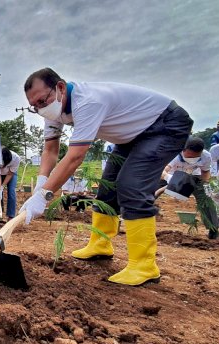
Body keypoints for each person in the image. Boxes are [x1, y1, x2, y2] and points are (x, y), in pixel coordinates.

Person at [20, 68, 193, 286]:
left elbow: (75, 157)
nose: (40, 109)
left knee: (131, 187)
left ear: (60, 88)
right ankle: (100, 245)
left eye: (42, 101)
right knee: (107, 188)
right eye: (34, 106)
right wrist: (41, 183)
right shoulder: (54, 110)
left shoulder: (88, 102)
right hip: (130, 136)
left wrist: (44, 196)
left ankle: (144, 266)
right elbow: (51, 150)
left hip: (164, 126)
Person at [158, 137, 219, 239]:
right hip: (169, 174)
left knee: (205, 199)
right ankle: (138, 217)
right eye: (189, 156)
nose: (192, 159)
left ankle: (213, 229)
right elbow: (162, 170)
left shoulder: (206, 156)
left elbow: (205, 171)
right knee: (150, 192)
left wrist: (206, 184)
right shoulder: (173, 154)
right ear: (183, 149)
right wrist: (168, 177)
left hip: (192, 177)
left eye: (196, 157)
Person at [0, 147, 20, 221]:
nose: (2, 167)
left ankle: (11, 216)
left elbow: (10, 174)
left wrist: (2, 186)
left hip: (10, 174)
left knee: (11, 191)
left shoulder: (15, 158)